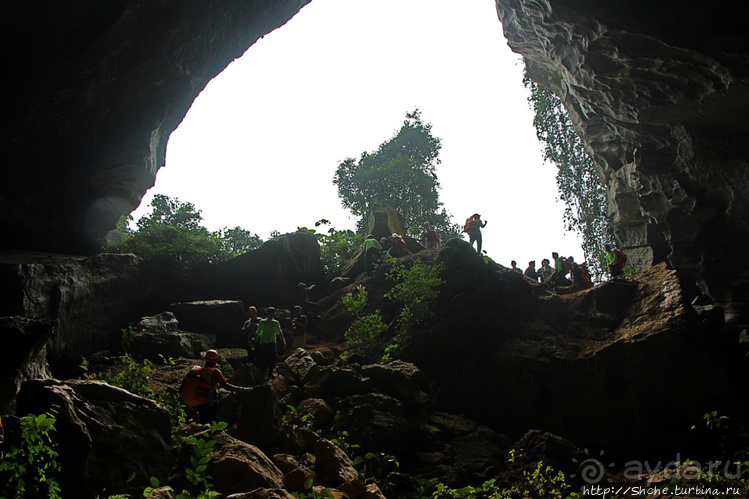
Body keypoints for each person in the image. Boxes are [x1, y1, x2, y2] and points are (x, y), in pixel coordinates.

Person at [179, 349, 248, 424]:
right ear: (216, 360)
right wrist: (242, 389)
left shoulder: (197, 371)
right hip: (209, 402)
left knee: (204, 420)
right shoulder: (215, 372)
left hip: (197, 401)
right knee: (212, 420)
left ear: (205, 359)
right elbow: (225, 385)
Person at [255, 307, 287, 379]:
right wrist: (253, 340)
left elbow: (279, 333)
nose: (271, 315)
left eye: (272, 314)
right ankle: (263, 374)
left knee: (273, 358)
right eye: (269, 314)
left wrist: (283, 341)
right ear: (267, 313)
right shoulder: (263, 322)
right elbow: (258, 332)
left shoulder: (275, 323)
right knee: (264, 359)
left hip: (272, 343)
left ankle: (270, 373)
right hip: (264, 343)